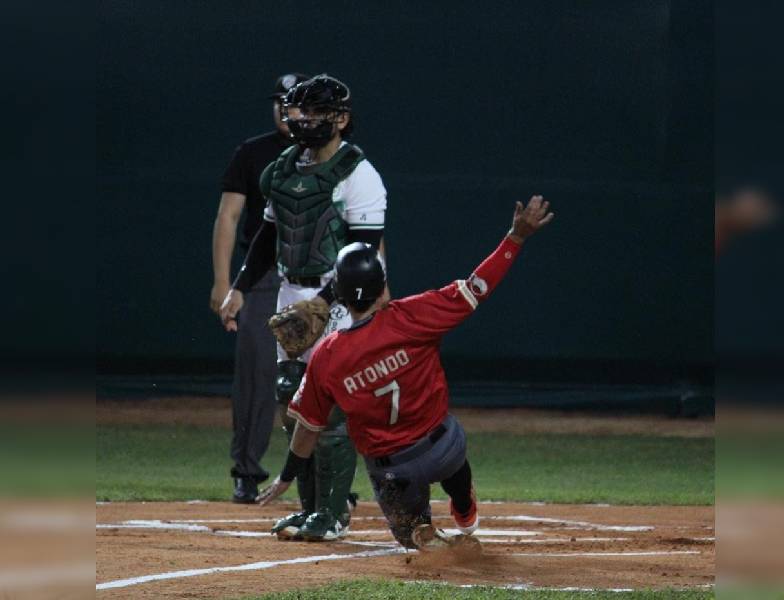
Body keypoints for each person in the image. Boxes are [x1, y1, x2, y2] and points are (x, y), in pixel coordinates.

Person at [257, 195, 555, 549]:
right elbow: (478, 286)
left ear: (338, 293)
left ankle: (420, 531)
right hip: (441, 446)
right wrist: (515, 239)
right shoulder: (413, 315)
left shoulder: (327, 355)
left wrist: (287, 476)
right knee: (454, 448)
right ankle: (463, 503)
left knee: (412, 537)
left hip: (392, 470)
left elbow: (308, 429)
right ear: (382, 286)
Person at [220, 74, 388, 540]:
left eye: (316, 112)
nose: (304, 119)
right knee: (293, 402)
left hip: (336, 298)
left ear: (341, 119)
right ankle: (310, 508)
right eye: (299, 111)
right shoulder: (283, 167)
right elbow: (267, 236)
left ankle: (334, 513)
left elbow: (362, 256)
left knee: (329, 410)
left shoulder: (359, 173)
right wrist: (239, 286)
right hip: (288, 290)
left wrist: (324, 304)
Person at [212, 72, 309, 503]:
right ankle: (247, 472)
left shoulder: (332, 156)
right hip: (264, 275)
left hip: (318, 278)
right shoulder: (254, 153)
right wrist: (224, 282)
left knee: (324, 376)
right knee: (255, 374)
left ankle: (322, 480)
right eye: (281, 102)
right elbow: (229, 218)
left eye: (295, 102)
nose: (286, 109)